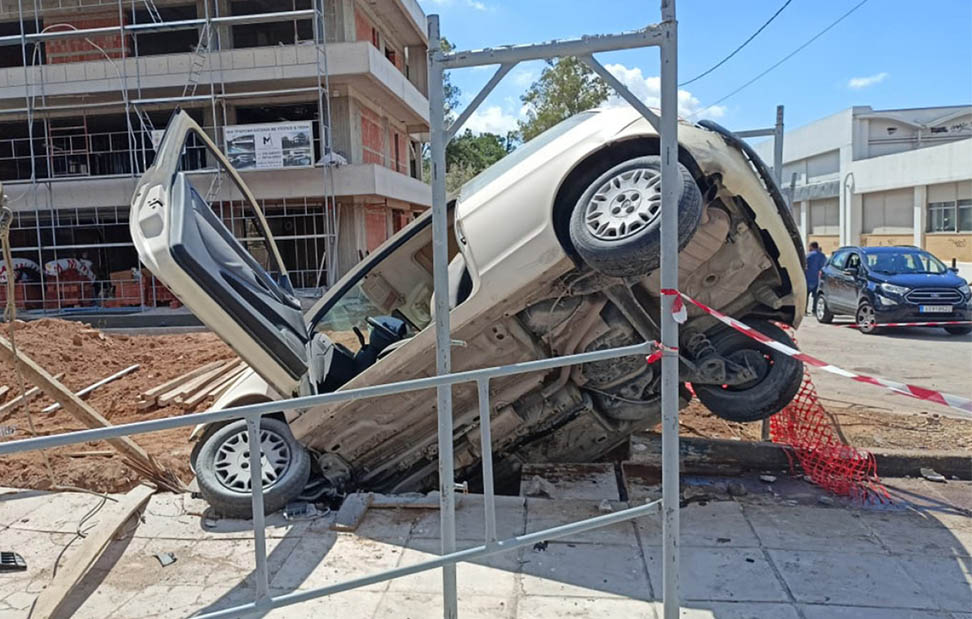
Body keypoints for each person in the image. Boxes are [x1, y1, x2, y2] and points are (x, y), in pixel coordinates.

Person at [805, 241, 827, 315]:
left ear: (811, 247)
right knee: (816, 296)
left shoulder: (809, 255)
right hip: (818, 279)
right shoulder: (823, 256)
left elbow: (804, 264)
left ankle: (804, 310)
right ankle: (814, 310)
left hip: (808, 278)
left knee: (806, 296)